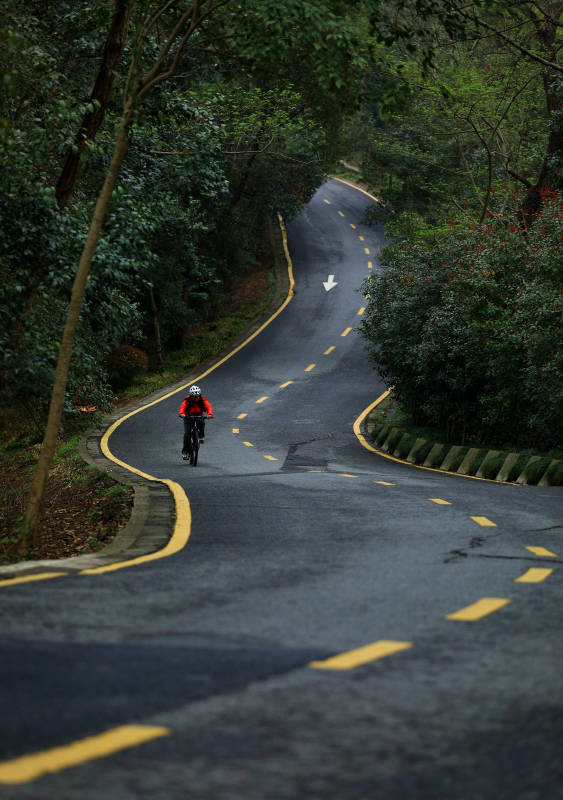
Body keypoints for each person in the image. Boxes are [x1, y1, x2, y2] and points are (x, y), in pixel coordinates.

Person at [179, 385, 213, 459]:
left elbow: (208, 406)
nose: (196, 398)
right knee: (187, 434)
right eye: (194, 397)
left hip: (199, 415)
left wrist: (210, 414)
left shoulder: (202, 399)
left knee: (202, 422)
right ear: (191, 396)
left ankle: (201, 436)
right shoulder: (187, 400)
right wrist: (182, 414)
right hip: (188, 417)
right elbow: (182, 407)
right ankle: (185, 452)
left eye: (197, 396)